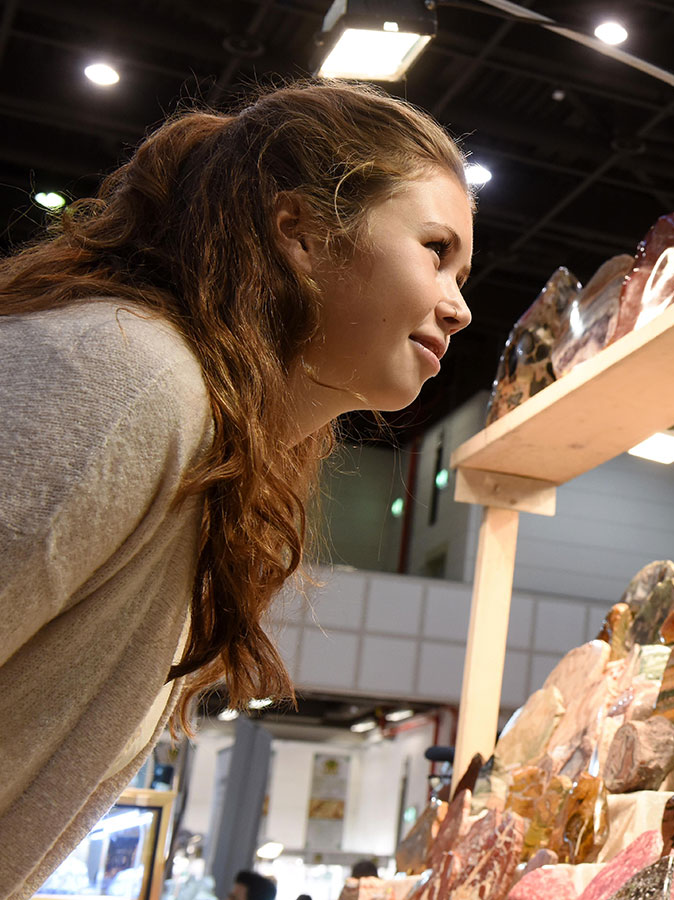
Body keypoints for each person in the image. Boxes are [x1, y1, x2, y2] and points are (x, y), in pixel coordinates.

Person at [0, 81, 473, 900]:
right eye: (436, 249)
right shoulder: (129, 377)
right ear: (300, 232)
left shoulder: (197, 431)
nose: (460, 307)